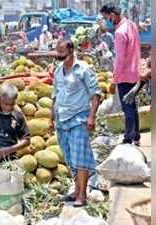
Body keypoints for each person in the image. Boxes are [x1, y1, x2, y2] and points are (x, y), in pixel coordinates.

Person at [51, 39, 101, 207]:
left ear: (71, 51)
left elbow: (96, 95)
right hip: (62, 120)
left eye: (62, 55)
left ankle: (82, 195)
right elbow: (55, 96)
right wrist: (52, 118)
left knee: (80, 158)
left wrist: (92, 117)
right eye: (57, 55)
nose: (59, 58)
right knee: (70, 158)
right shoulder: (58, 71)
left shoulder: (83, 70)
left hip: (79, 118)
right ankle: (76, 190)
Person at [101, 4, 141, 145]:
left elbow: (119, 60)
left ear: (112, 14)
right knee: (133, 105)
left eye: (106, 17)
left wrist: (114, 80)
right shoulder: (131, 25)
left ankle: (128, 138)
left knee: (127, 107)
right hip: (135, 71)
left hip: (124, 74)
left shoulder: (119, 33)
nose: (107, 21)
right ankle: (136, 136)